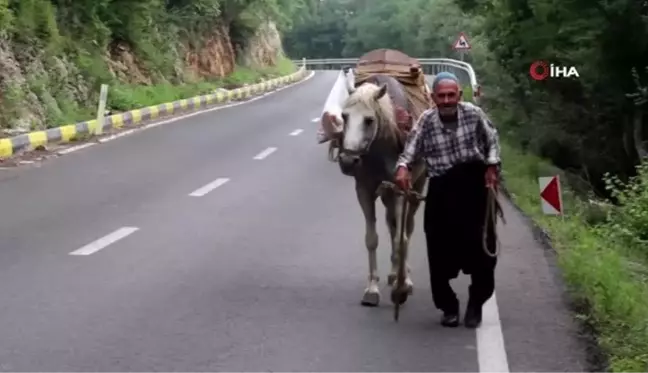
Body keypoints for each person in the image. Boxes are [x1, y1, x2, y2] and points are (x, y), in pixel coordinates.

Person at [394, 71, 501, 329]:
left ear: (459, 95)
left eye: (450, 95)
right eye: (441, 96)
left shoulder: (474, 114)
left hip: (476, 187)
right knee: (438, 249)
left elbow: (493, 141)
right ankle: (448, 306)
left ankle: (476, 304)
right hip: (442, 189)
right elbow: (410, 149)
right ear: (433, 98)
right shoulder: (427, 120)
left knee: (483, 252)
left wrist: (492, 166)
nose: (446, 100)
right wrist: (403, 168)